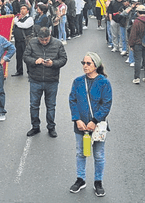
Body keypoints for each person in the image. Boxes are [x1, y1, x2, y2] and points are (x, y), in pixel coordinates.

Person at [68, 52, 112, 197]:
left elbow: (106, 104)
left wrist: (94, 121)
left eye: (88, 63)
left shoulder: (104, 82)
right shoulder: (78, 81)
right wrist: (77, 119)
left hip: (97, 126)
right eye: (83, 63)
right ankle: (81, 179)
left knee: (98, 155)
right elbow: (72, 100)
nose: (85, 66)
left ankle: (98, 181)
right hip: (81, 126)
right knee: (81, 152)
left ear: (96, 65)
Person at [23, 27, 67, 138]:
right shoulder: (32, 42)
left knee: (51, 106)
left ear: (50, 36)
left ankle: (51, 127)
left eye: (46, 40)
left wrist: (53, 63)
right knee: (34, 105)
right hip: (35, 79)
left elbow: (63, 59)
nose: (44, 42)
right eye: (41, 40)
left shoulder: (57, 44)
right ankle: (35, 127)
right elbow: (25, 57)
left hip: (51, 80)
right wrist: (34, 61)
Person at [128, 5, 145, 85]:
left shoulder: (137, 21)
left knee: (138, 60)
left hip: (138, 43)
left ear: (138, 12)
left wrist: (131, 44)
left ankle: (137, 78)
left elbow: (133, 34)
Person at [12, 4, 34, 77]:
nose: (22, 10)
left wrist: (16, 22)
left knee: (27, 56)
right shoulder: (18, 18)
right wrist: (17, 20)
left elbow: (24, 25)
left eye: (24, 9)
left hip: (25, 40)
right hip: (18, 40)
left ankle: (30, 72)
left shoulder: (29, 19)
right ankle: (19, 70)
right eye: (21, 9)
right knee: (18, 56)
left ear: (27, 10)